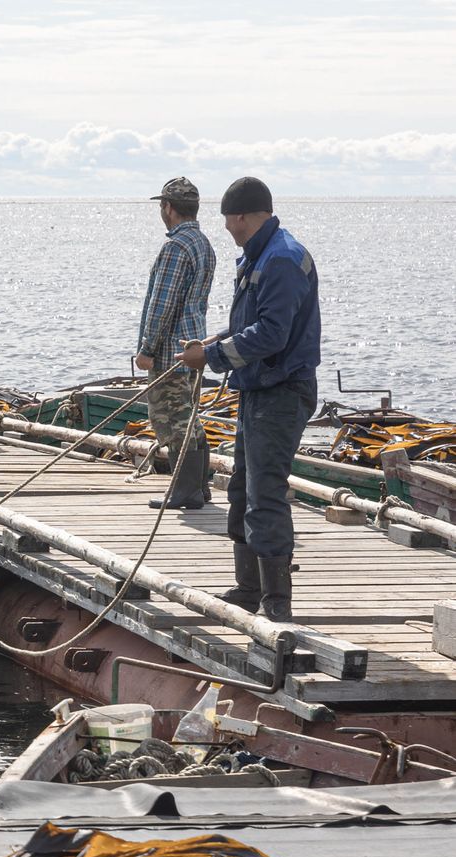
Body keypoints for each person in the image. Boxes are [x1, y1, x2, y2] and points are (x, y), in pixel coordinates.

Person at [177, 177, 320, 621]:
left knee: (266, 492)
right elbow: (250, 322)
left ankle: (276, 602)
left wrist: (213, 356)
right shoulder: (263, 253)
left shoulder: (280, 259)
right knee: (242, 486)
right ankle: (248, 586)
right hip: (258, 390)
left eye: (227, 220)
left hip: (281, 392)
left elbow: (273, 335)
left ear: (240, 216)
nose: (226, 229)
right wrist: (214, 340)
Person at [135, 177, 217, 509]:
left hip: (170, 352)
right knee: (190, 417)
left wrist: (146, 350)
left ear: (168, 208)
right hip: (193, 344)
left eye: (161, 206)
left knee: (170, 420)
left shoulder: (175, 247)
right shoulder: (204, 244)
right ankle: (199, 487)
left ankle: (186, 491)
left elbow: (161, 305)